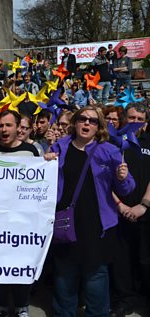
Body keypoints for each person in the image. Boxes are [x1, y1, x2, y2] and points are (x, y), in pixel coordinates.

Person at [44, 106, 135, 316]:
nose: (87, 124)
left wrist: (123, 178)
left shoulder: (110, 151)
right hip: (66, 222)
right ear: (75, 123)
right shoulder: (59, 147)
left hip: (97, 225)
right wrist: (46, 162)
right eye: (83, 119)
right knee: (65, 276)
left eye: (92, 121)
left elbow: (127, 189)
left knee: (96, 277)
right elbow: (46, 182)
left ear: (99, 127)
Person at [0, 110, 38, 316]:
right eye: (1, 126)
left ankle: (22, 304)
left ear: (17, 127)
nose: (4, 130)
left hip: (22, 221)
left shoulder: (31, 152)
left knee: (21, 263)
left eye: (9, 125)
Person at [110, 103, 150, 317]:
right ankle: (124, 299)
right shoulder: (114, 143)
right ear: (124, 119)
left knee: (146, 258)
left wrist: (143, 205)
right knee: (121, 261)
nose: (135, 122)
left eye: (139, 119)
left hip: (145, 211)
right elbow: (104, 179)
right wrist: (121, 205)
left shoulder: (149, 143)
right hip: (120, 212)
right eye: (131, 118)